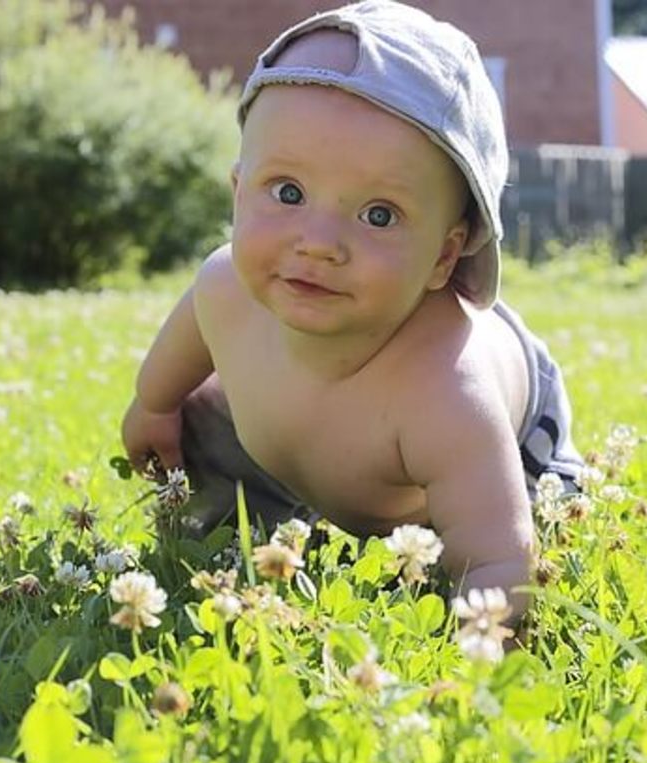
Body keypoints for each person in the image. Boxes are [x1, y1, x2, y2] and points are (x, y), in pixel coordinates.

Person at [121, 0, 584, 620]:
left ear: (445, 257)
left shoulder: (448, 393)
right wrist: (155, 407)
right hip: (298, 444)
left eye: (378, 215)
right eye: (288, 193)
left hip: (516, 429)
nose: (318, 243)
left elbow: (499, 560)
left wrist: (488, 626)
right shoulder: (225, 286)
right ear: (238, 193)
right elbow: (173, 366)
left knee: (529, 519)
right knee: (205, 420)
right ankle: (254, 530)